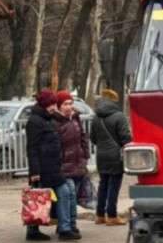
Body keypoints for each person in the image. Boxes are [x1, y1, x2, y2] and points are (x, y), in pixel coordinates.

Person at [25, 89, 79, 241]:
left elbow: (59, 125)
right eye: (52, 104)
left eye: (55, 104)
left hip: (52, 166)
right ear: (45, 104)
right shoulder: (35, 122)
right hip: (42, 167)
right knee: (39, 197)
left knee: (60, 193)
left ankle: (62, 228)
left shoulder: (46, 118)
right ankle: (43, 229)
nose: (54, 107)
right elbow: (32, 148)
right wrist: (34, 171)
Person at [91, 89, 132, 225]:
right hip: (115, 155)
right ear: (114, 101)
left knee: (103, 184)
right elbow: (126, 138)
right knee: (114, 185)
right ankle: (112, 216)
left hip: (101, 155)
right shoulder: (119, 116)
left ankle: (100, 215)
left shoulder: (96, 117)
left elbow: (93, 138)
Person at [55, 91, 91, 219]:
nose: (69, 107)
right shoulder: (56, 121)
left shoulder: (75, 118)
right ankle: (67, 225)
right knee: (68, 196)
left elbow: (83, 138)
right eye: (65, 104)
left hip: (78, 164)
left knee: (74, 196)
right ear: (59, 106)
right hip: (64, 166)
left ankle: (71, 224)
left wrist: (85, 156)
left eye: (70, 103)